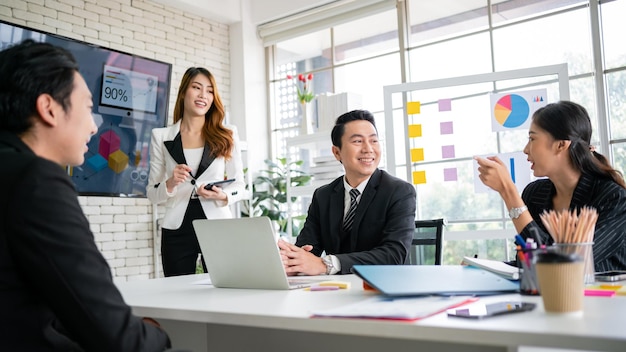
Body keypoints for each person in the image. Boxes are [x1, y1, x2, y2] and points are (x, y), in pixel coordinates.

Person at [0, 40, 170, 350]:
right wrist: (161, 336)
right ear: (49, 108)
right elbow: (115, 336)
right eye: (89, 108)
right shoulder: (36, 181)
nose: (93, 127)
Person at [476, 100, 626, 272]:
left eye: (532, 139)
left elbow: (563, 266)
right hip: (548, 298)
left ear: (561, 145)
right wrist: (483, 268)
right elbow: (528, 264)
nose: (526, 149)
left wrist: (508, 192)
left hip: (605, 298)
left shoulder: (614, 199)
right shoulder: (534, 194)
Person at [278, 109, 417, 275]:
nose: (368, 149)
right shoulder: (323, 196)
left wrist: (327, 264)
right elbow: (307, 248)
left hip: (383, 290)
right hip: (336, 292)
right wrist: (293, 261)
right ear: (337, 152)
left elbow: (394, 255)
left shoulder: (399, 192)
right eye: (358, 141)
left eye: (373, 141)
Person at [147, 67, 246, 277]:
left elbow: (241, 186)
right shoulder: (161, 136)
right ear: (184, 91)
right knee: (177, 296)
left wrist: (223, 195)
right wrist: (171, 183)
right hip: (176, 228)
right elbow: (152, 193)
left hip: (218, 225)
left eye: (210, 91)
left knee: (224, 291)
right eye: (196, 88)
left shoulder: (228, 134)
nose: (203, 95)